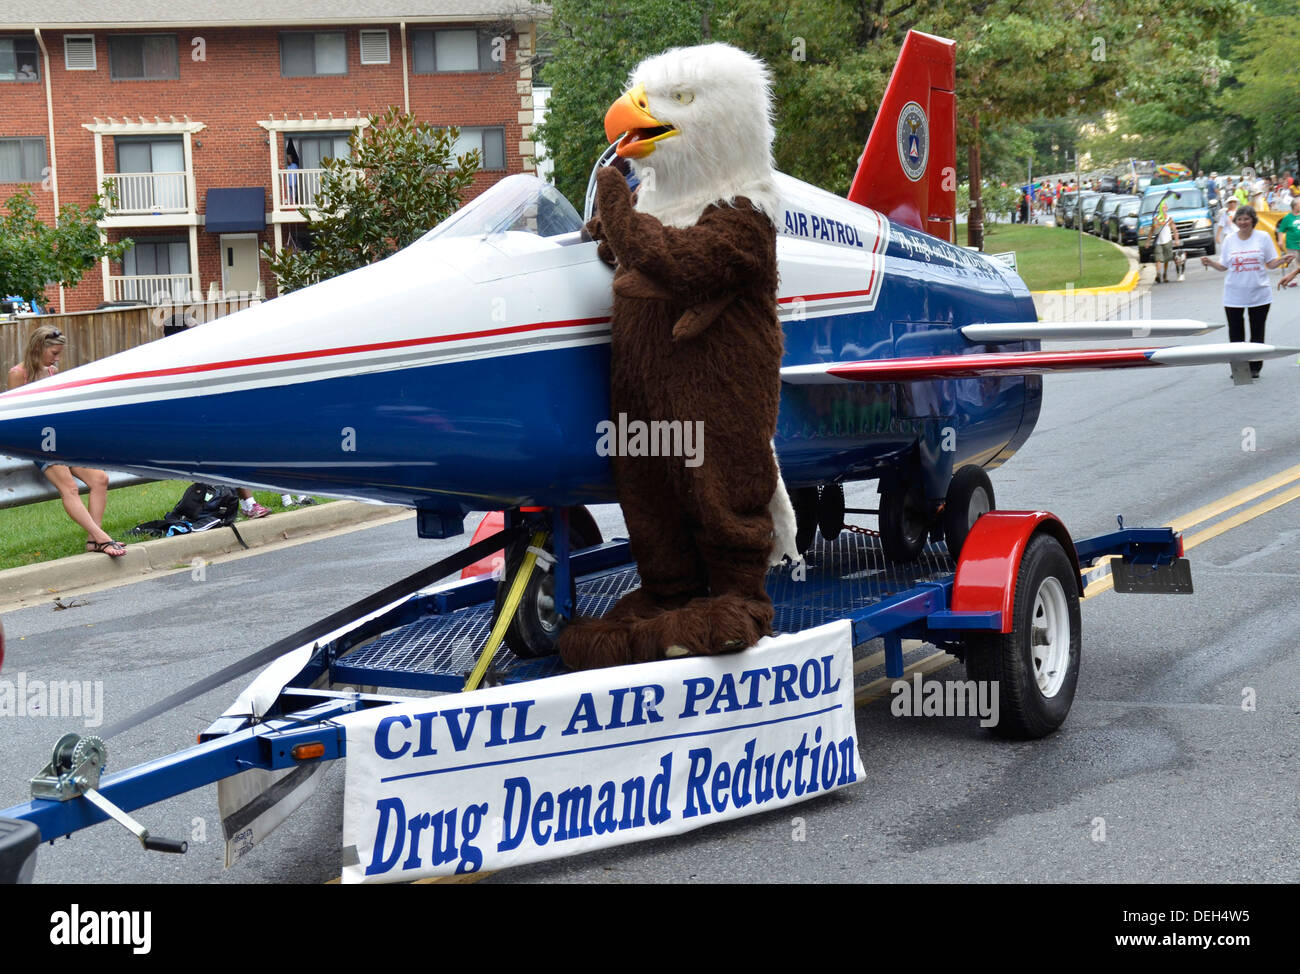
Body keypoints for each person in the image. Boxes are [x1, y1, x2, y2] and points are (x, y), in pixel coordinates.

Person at [7, 325, 127, 556]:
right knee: (70, 488)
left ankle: (94, 539)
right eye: (54, 353)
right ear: (38, 348)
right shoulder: (18, 374)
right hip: (37, 442)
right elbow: (15, 415)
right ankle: (103, 539)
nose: (57, 358)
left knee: (100, 479)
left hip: (59, 438)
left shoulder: (51, 372)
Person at [1200, 205, 1294, 379]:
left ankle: (1255, 367)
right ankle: (1239, 368)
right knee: (1236, 333)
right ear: (1235, 221)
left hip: (1259, 293)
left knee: (1257, 332)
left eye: (1246, 219)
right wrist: (1210, 263)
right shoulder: (1229, 239)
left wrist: (1282, 261)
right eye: (1240, 219)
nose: (1243, 222)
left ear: (1253, 220)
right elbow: (1223, 266)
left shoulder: (1263, 237)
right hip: (1233, 294)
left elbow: (1271, 263)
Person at [1145, 193, 1181, 284]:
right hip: (1158, 242)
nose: (1164, 209)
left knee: (1167, 259)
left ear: (1167, 209)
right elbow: (1151, 231)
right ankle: (1158, 274)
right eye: (1162, 208)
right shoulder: (1156, 219)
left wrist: (1176, 240)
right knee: (1158, 259)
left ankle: (1165, 274)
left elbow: (1175, 230)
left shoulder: (1169, 219)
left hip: (1167, 241)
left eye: (1165, 207)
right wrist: (1148, 242)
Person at [1275, 197, 1300, 286]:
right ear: (1294, 206)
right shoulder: (1287, 218)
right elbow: (1281, 230)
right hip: (1292, 244)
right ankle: (1293, 280)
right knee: (1293, 262)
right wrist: (1280, 241)